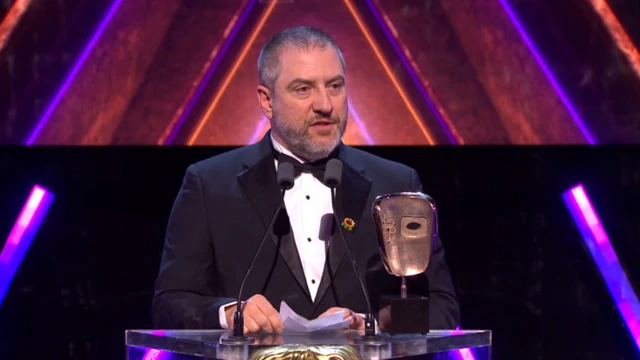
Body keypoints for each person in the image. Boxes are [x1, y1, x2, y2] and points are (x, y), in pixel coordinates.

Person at [151, 25, 460, 334]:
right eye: (303, 89)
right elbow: (170, 303)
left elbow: (443, 308)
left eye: (335, 86)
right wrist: (231, 313)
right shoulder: (209, 184)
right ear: (267, 101)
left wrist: (371, 326)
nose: (325, 104)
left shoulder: (395, 184)